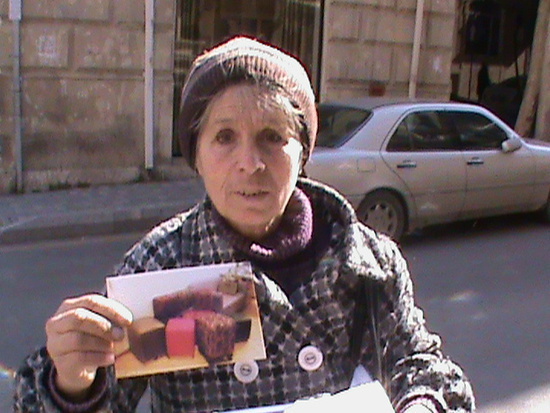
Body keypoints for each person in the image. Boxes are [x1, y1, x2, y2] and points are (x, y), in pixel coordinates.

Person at [14, 36, 475, 413]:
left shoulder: (367, 262)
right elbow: (101, 396)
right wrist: (72, 382)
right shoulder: (162, 265)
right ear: (196, 155)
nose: (250, 163)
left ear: (303, 153)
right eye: (224, 137)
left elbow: (422, 366)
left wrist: (422, 405)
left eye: (273, 137)